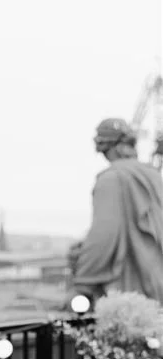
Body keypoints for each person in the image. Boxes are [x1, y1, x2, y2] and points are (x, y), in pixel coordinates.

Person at [68, 118, 163, 303]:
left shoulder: (111, 179)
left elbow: (103, 237)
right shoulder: (154, 177)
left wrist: (83, 284)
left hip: (129, 292)